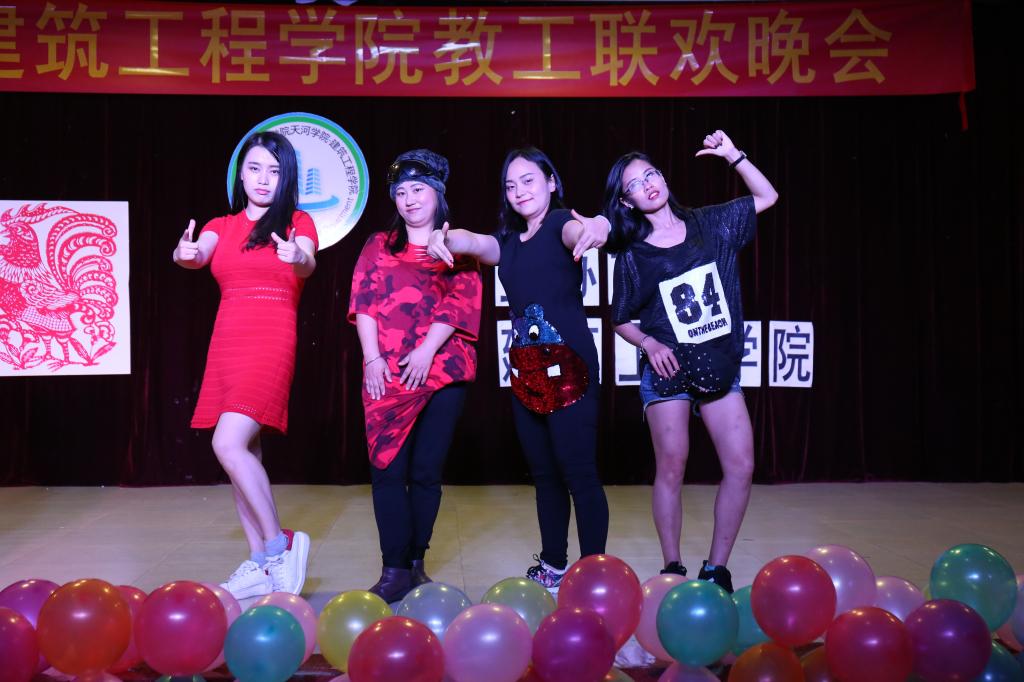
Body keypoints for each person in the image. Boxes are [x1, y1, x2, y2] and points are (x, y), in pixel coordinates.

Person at [427, 147, 609, 593]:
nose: (519, 191)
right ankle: (554, 564)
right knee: (545, 477)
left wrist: (595, 227)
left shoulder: (560, 223)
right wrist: (444, 238)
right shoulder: (507, 242)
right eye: (511, 186)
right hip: (527, 373)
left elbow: (580, 230)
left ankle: (593, 572)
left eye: (528, 180)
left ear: (551, 181)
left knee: (579, 473)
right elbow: (473, 242)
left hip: (571, 369)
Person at [603, 130, 778, 592]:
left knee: (741, 465)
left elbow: (767, 196)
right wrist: (649, 344)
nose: (648, 185)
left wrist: (733, 156)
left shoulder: (711, 223)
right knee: (672, 466)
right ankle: (673, 566)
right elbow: (620, 319)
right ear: (626, 201)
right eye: (635, 184)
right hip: (669, 372)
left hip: (718, 366)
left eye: (651, 174)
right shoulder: (633, 255)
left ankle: (716, 567)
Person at [173, 131, 316, 599]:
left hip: (271, 337)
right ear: (241, 174)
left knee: (227, 442)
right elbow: (196, 254)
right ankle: (258, 562)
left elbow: (307, 262)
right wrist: (183, 253)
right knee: (244, 454)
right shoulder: (221, 224)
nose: (263, 179)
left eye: (274, 171)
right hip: (227, 340)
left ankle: (279, 545)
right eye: (254, 168)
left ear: (286, 178)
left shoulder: (297, 222)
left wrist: (298, 256)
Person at [349, 149, 482, 603]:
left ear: (438, 194)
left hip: (442, 371)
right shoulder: (378, 245)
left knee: (426, 473)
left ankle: (415, 564)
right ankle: (393, 570)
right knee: (386, 471)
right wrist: (372, 358)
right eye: (401, 191)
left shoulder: (458, 245)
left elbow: (462, 302)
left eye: (418, 189)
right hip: (385, 374)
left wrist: (426, 351)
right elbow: (364, 301)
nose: (409, 199)